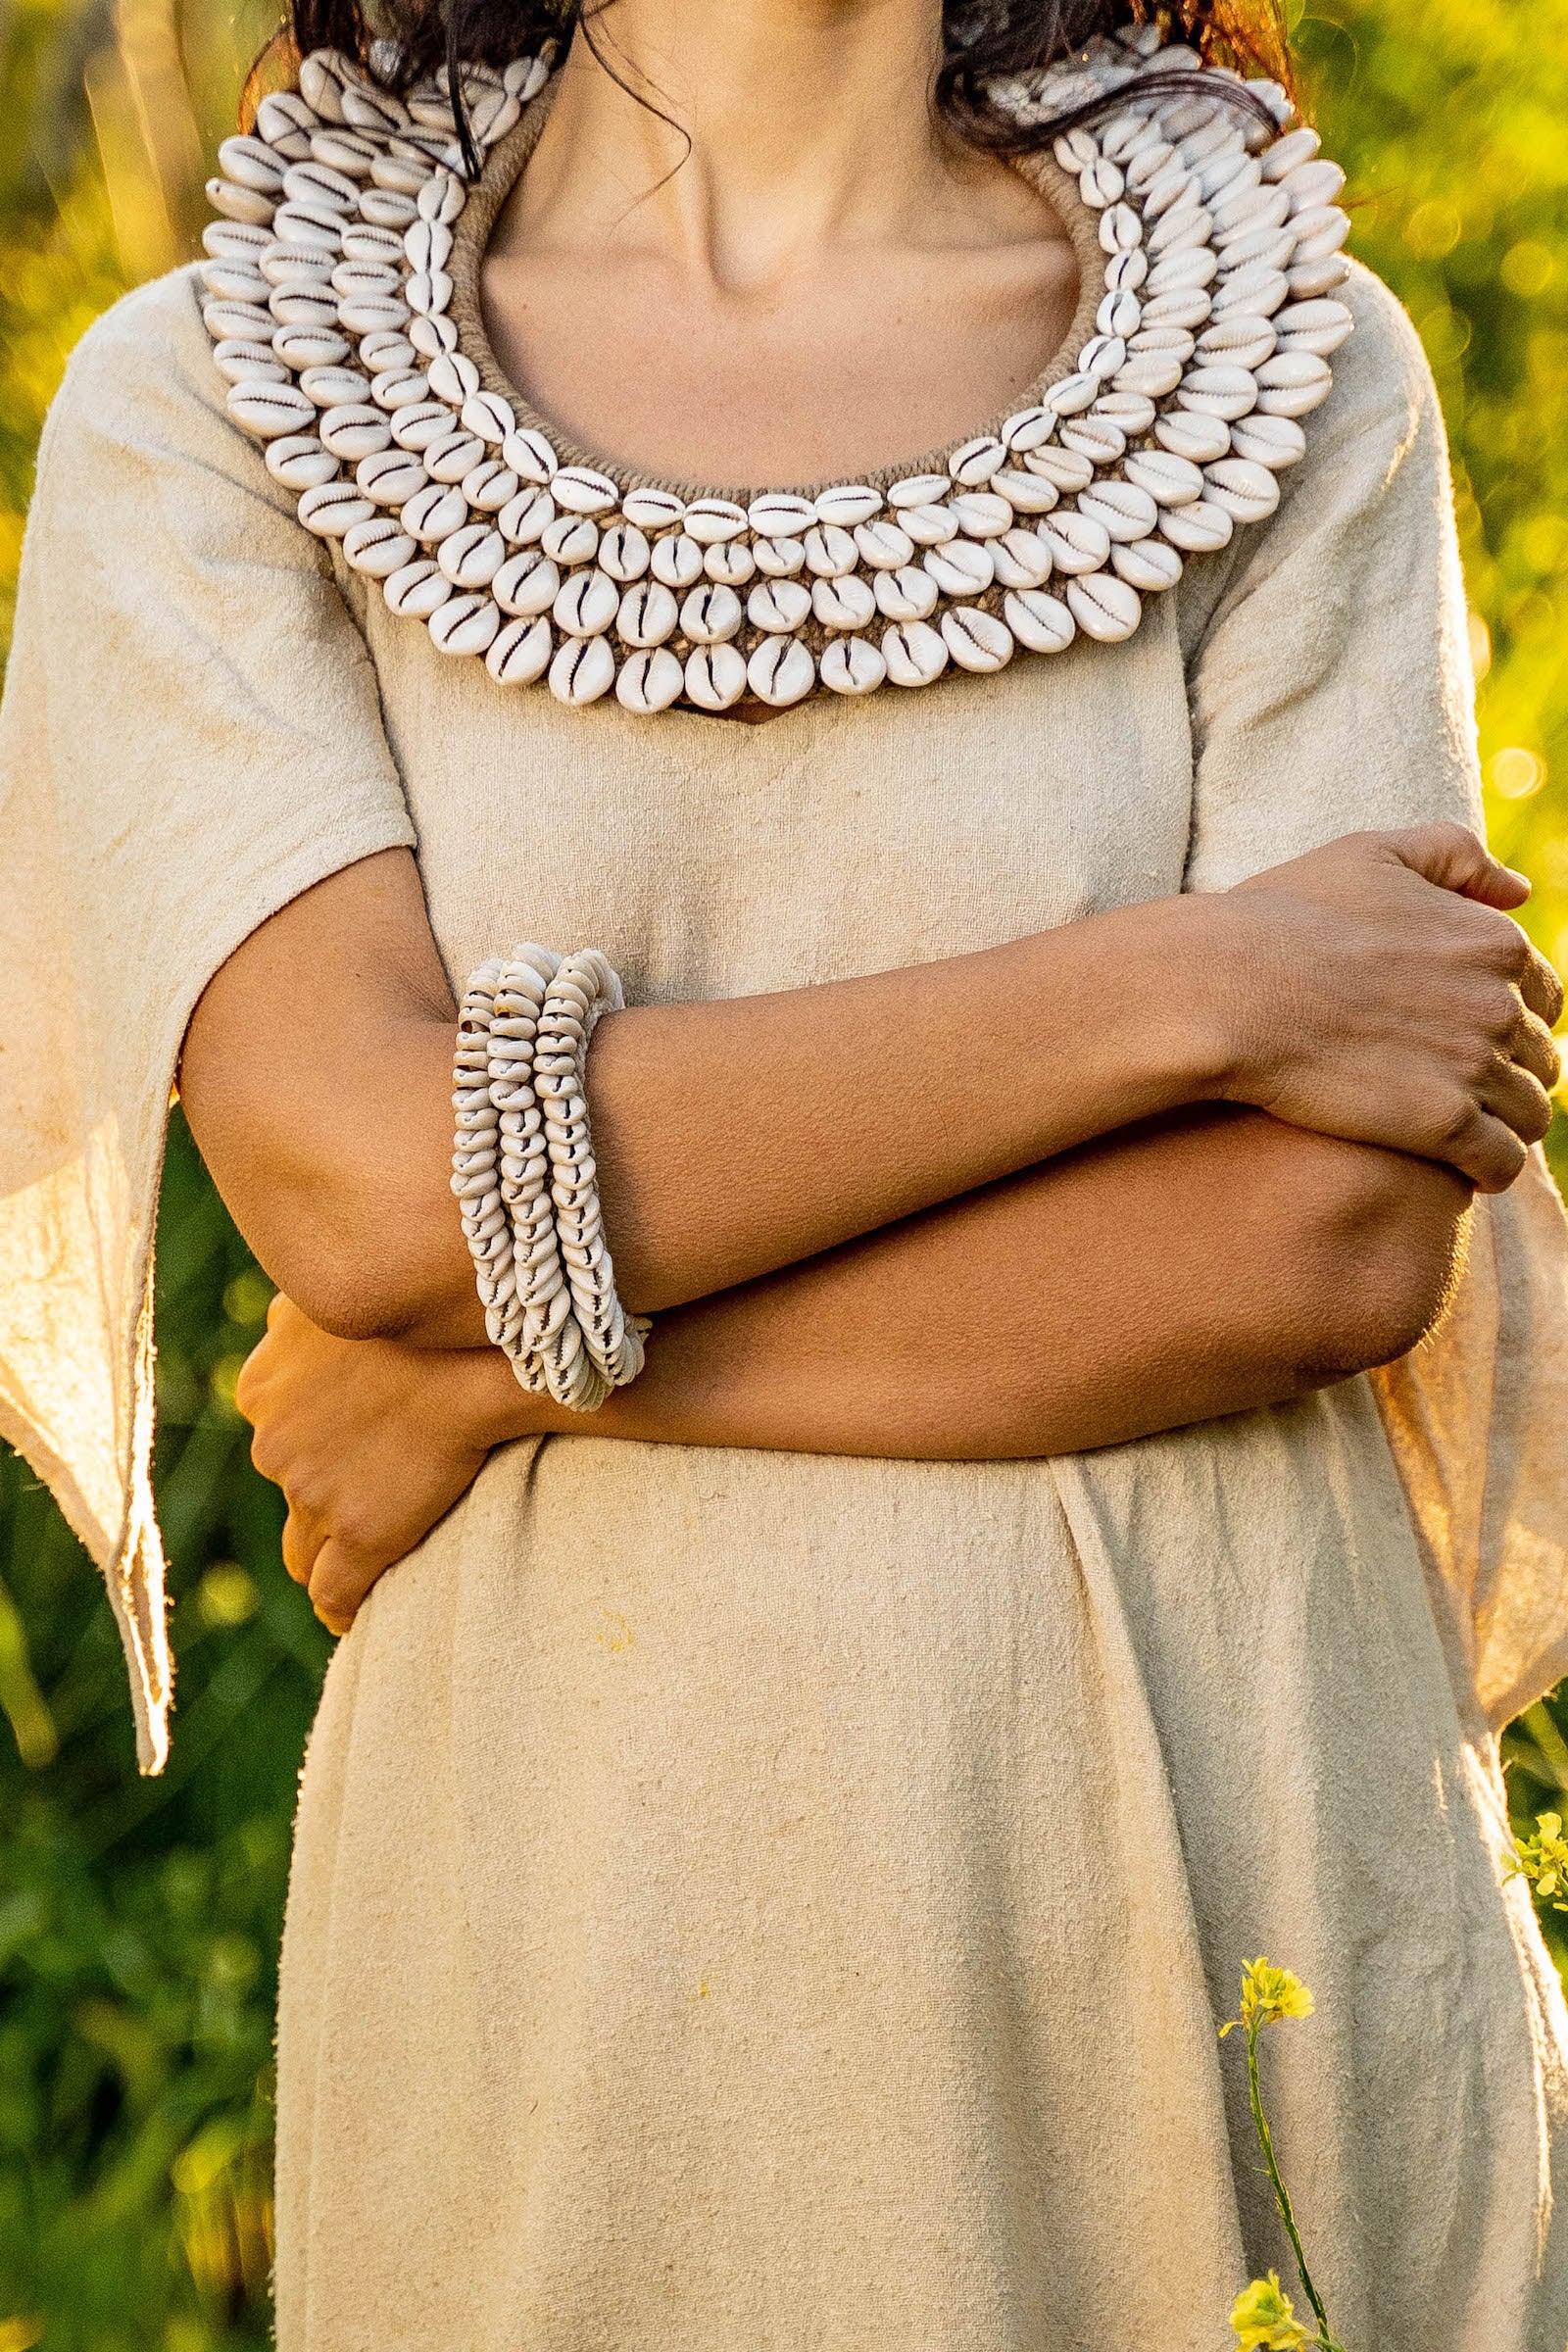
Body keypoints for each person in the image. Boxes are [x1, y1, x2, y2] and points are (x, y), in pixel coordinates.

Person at [4, 0, 1568, 2341]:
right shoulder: (223, 396)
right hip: (579, 1912)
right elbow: (366, 1197)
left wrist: (502, 1381)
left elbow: (1325, 1233)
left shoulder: (1279, 343)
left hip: (1224, 1811)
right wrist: (1186, 990)